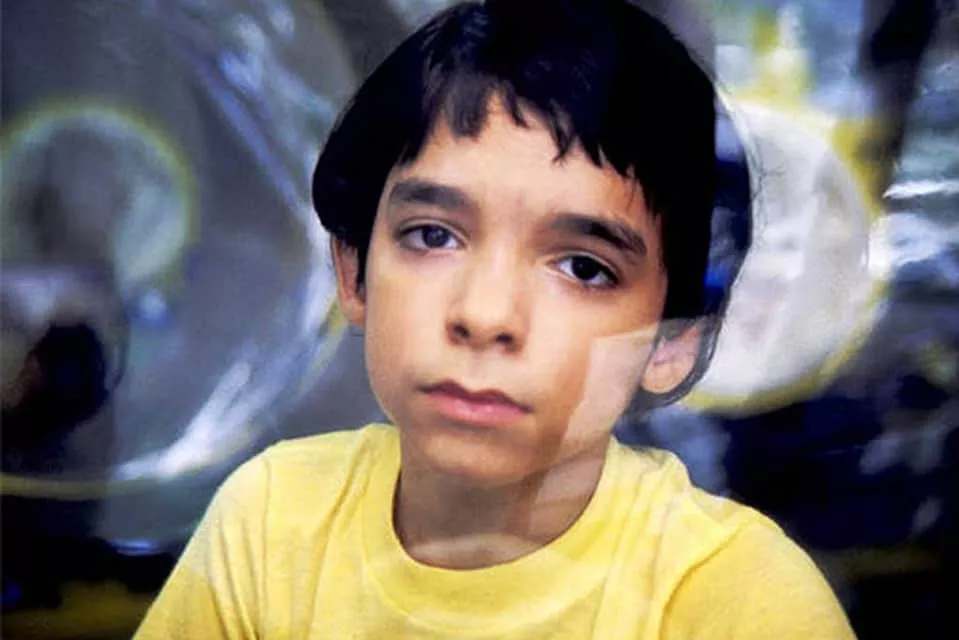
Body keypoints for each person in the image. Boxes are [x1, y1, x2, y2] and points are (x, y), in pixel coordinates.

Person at [135, 0, 856, 637]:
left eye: (583, 268)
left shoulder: (738, 600)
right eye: (432, 236)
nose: (484, 315)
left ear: (673, 340)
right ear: (353, 271)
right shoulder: (270, 523)